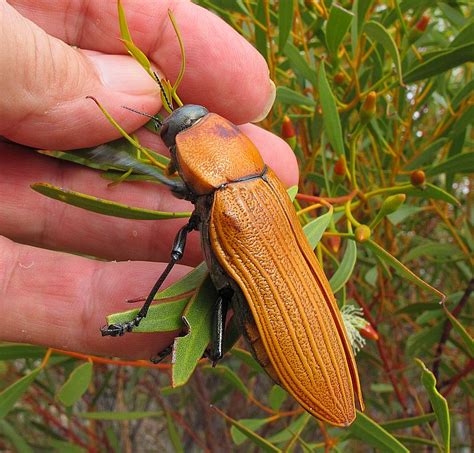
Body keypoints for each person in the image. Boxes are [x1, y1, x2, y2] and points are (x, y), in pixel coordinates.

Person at [0, 1, 298, 359]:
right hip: (287, 309)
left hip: (282, 333)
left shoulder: (225, 198)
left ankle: (146, 319)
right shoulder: (261, 180)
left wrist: (117, 156)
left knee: (209, 329)